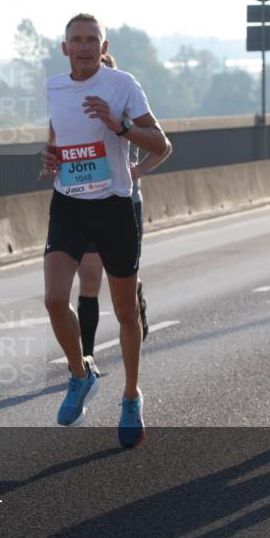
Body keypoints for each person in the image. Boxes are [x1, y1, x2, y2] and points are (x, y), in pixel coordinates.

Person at [39, 13, 172, 447]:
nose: (83, 47)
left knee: (126, 311)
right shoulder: (55, 87)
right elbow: (59, 134)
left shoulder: (123, 85)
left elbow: (162, 145)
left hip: (114, 207)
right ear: (64, 48)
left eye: (90, 40)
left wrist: (120, 125)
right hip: (68, 203)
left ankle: (131, 396)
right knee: (55, 299)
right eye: (75, 40)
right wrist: (52, 157)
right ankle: (81, 373)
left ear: (102, 45)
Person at [75, 53, 165, 360]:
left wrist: (139, 170)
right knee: (89, 276)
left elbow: (163, 146)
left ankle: (136, 300)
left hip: (126, 202)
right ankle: (86, 358)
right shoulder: (79, 108)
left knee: (123, 279)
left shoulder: (127, 109)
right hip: (86, 202)